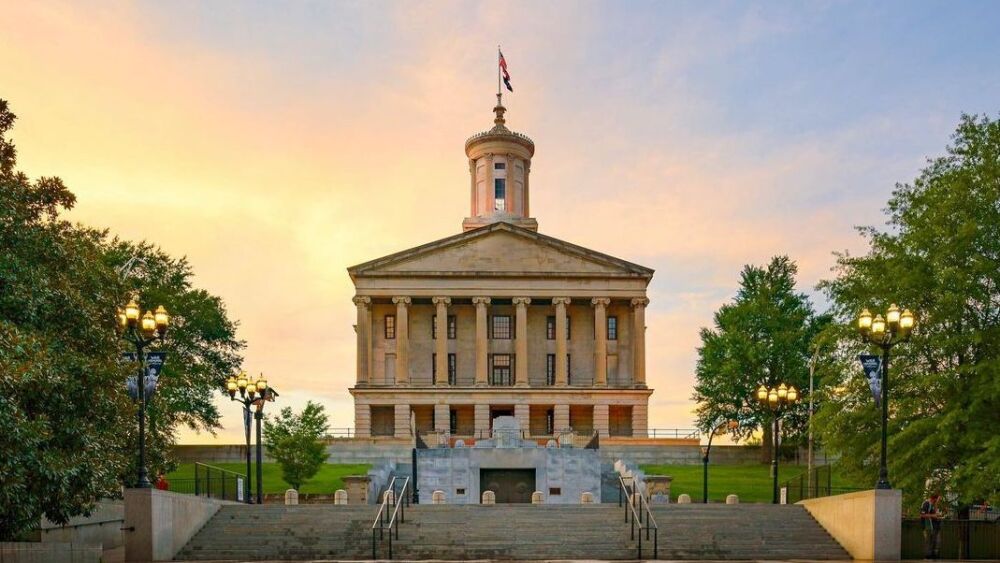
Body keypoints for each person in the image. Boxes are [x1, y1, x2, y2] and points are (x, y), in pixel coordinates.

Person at [920, 493, 943, 559]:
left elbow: (935, 513)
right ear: (934, 499)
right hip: (928, 526)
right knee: (929, 541)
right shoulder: (926, 503)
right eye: (938, 499)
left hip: (935, 526)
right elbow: (922, 515)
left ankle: (934, 555)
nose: (938, 501)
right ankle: (928, 556)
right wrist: (933, 516)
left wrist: (937, 515)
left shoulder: (933, 505)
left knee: (936, 542)